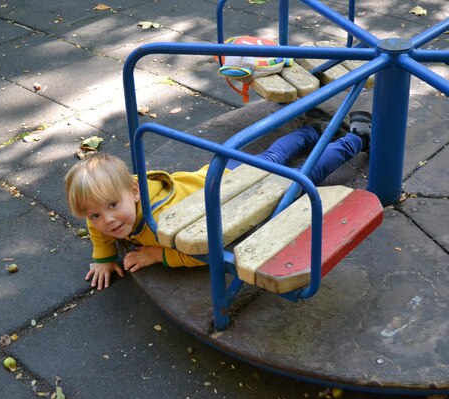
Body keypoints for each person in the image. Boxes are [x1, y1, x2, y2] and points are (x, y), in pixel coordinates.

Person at [64, 110, 371, 290]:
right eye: (95, 215)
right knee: (274, 158)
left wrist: (158, 255)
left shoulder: (163, 220)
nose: (108, 221)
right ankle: (315, 130)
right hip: (216, 179)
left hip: (236, 200)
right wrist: (102, 257)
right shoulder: (118, 205)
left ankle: (357, 137)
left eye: (112, 206)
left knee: (303, 175)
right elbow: (96, 227)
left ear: (133, 191)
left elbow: (202, 251)